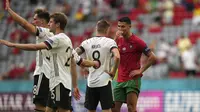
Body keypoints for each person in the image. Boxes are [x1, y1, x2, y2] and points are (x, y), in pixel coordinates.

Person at [0, 12, 99, 112]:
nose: (48, 24)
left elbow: (35, 47)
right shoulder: (67, 41)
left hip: (60, 82)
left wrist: (12, 44)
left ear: (57, 24)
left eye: (51, 22)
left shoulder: (57, 39)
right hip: (57, 83)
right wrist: (94, 63)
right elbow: (81, 61)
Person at [5, 0, 52, 111]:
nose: (33, 21)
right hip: (52, 75)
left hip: (43, 73)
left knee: (39, 106)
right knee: (50, 107)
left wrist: (9, 11)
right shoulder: (52, 35)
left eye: (35, 19)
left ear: (42, 22)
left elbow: (24, 24)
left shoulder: (45, 31)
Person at [112, 17, 157, 112]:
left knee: (131, 108)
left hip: (132, 79)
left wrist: (141, 70)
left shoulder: (137, 41)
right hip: (119, 79)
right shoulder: (117, 41)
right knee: (114, 109)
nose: (120, 29)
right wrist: (115, 38)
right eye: (119, 26)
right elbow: (110, 53)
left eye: (123, 26)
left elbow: (152, 57)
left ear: (129, 27)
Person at [75, 20, 120, 112]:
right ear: (107, 30)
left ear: (96, 29)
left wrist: (83, 65)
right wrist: (113, 72)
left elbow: (73, 55)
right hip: (105, 80)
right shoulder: (110, 42)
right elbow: (117, 56)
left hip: (91, 82)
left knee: (91, 110)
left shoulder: (86, 42)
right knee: (106, 109)